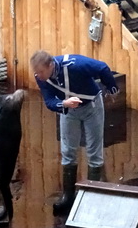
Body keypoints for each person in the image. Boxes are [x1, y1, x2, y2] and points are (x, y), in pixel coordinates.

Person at [30, 50, 120, 215]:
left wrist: (112, 88)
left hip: (91, 106)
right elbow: (49, 101)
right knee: (68, 151)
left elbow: (102, 68)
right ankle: (68, 196)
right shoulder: (40, 77)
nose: (38, 76)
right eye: (36, 72)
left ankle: (91, 196)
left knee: (94, 151)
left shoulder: (75, 64)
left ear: (50, 65)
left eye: (41, 72)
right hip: (69, 110)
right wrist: (65, 103)